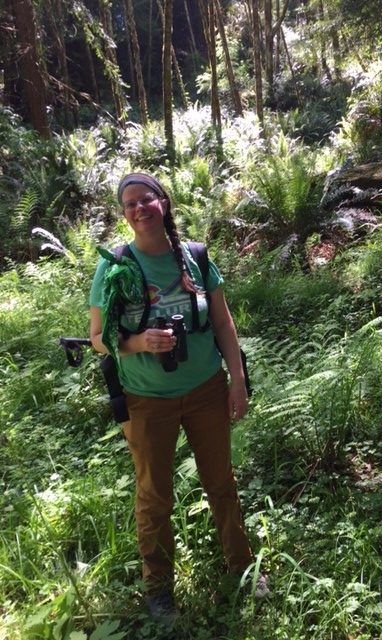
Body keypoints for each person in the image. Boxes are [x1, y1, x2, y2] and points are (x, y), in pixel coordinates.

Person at [89, 173, 266, 622]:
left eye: (145, 199)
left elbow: (224, 324)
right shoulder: (115, 266)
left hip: (206, 389)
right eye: (129, 203)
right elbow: (98, 337)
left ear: (163, 203)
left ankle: (242, 566)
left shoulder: (196, 258)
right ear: (124, 214)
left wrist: (237, 380)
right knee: (154, 495)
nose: (138, 208)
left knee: (221, 482)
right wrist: (137, 343)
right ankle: (158, 588)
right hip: (147, 398)